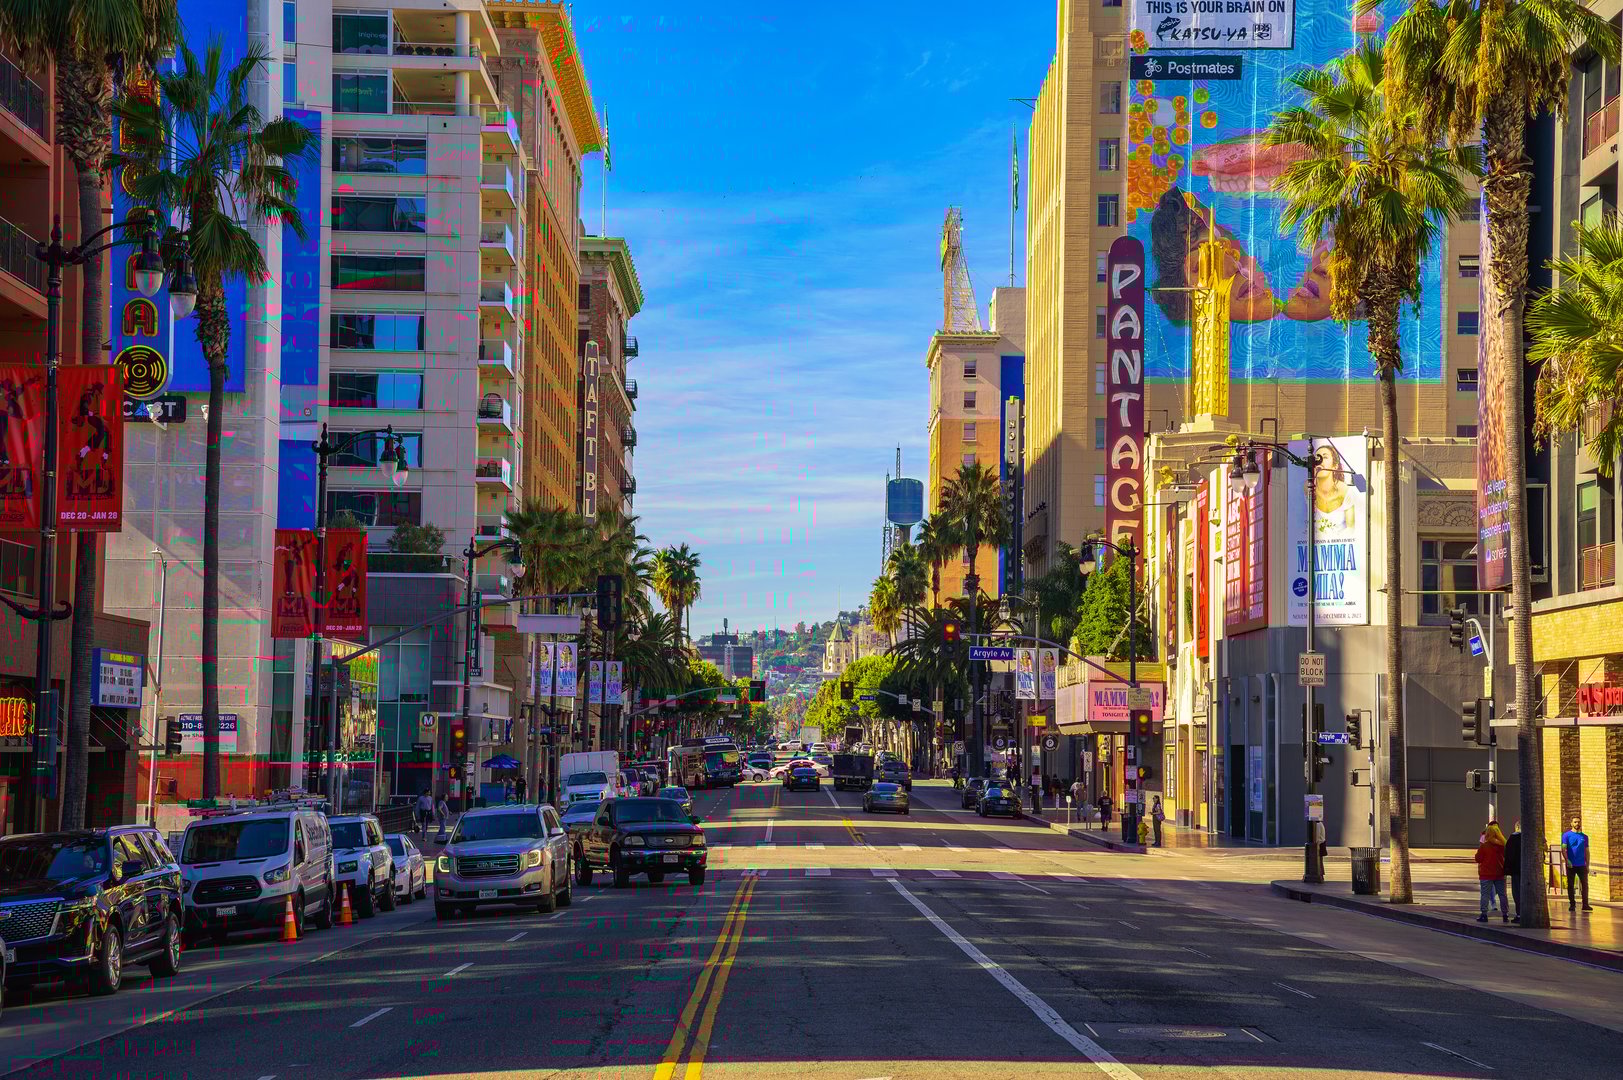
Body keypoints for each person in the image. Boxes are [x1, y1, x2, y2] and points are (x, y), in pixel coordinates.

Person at [1475, 820, 1508, 923]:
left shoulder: (1484, 846)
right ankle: (1505, 914)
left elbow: (1478, 858)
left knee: (1485, 894)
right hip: (1499, 873)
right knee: (1503, 894)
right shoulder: (1503, 846)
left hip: (1486, 873)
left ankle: (1484, 914)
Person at [1562, 817, 1592, 912]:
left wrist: (1587, 865)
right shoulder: (1566, 835)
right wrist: (1567, 860)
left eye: (1578, 822)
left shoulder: (1584, 837)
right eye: (1575, 822)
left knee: (1585, 885)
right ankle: (1572, 904)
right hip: (1571, 864)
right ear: (1571, 823)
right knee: (1570, 885)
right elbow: (1563, 849)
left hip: (1582, 864)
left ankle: (1585, 904)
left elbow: (1587, 851)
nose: (1577, 823)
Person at [1504, 819, 1523, 921]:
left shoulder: (1513, 838)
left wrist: (1507, 869)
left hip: (1516, 870)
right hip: (1527, 871)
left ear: (1516, 827)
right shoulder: (1530, 838)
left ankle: (1519, 914)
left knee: (1517, 892)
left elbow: (1508, 855)